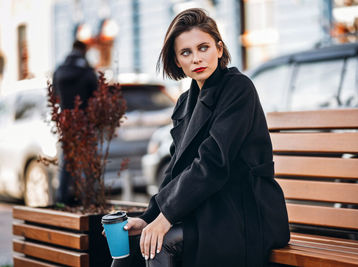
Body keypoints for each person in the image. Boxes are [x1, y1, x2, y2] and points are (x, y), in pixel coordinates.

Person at [112, 8, 290, 267]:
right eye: (186, 52)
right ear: (177, 61)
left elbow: (213, 162)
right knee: (128, 248)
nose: (197, 58)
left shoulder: (238, 89)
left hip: (246, 211)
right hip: (207, 208)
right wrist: (150, 217)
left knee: (158, 245)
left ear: (219, 49)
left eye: (203, 47)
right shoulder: (185, 102)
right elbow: (175, 171)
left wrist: (166, 218)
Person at [53, 40, 98, 204]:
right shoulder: (86, 71)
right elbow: (96, 94)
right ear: (83, 51)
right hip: (85, 121)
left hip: (66, 121)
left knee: (67, 160)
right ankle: (88, 198)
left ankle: (63, 197)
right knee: (88, 160)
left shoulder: (59, 70)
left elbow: (55, 95)